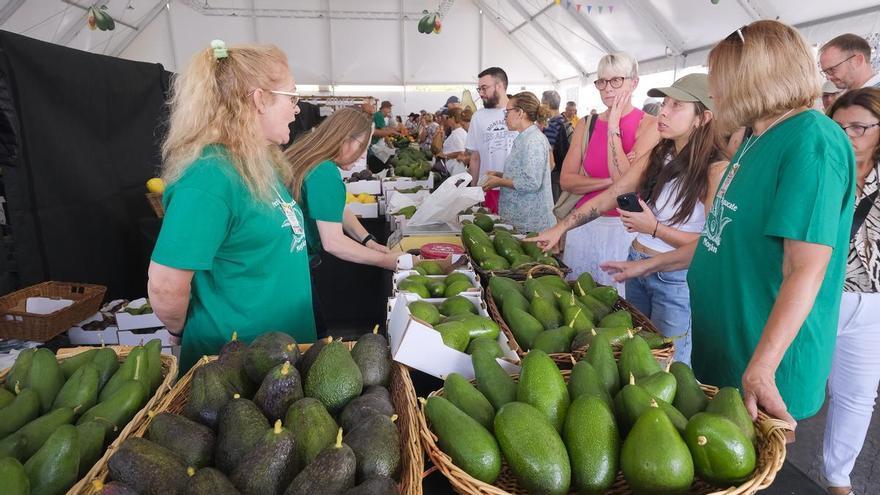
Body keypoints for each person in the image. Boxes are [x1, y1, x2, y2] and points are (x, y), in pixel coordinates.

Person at [595, 20, 855, 427]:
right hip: (725, 350)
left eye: (720, 78)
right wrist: (644, 266)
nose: (714, 92)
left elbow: (806, 268)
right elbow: (721, 239)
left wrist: (763, 367)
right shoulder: (754, 138)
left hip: (761, 364)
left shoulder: (812, 142)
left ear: (754, 78)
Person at [528, 74, 725, 365]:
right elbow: (614, 192)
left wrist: (654, 229)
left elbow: (709, 246)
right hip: (637, 267)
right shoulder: (659, 153)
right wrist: (561, 227)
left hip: (674, 280)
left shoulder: (715, 169)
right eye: (664, 102)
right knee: (636, 357)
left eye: (677, 105)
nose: (664, 111)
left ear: (703, 117)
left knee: (668, 363)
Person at [147, 41, 315, 371]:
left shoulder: (257, 163)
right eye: (291, 97)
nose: (297, 108)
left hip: (281, 355)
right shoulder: (211, 176)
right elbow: (165, 285)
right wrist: (180, 331)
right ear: (259, 99)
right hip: (237, 367)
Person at [285, 108, 400, 336]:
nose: (361, 156)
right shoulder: (324, 170)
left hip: (286, 263)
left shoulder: (309, 156)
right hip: (297, 267)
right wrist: (386, 261)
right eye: (362, 147)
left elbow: (335, 208)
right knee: (316, 339)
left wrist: (367, 240)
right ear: (346, 139)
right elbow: (333, 242)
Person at [557, 52, 660, 293]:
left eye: (616, 80)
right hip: (584, 225)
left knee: (619, 304)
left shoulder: (650, 124)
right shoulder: (587, 123)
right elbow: (566, 180)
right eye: (602, 81)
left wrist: (614, 126)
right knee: (577, 296)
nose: (607, 88)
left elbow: (630, 185)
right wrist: (612, 181)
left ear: (633, 82)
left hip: (625, 229)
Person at [821, 87, 880, 495]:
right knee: (789, 378)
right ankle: (771, 451)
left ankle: (838, 477)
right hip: (816, 297)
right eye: (838, 126)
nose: (847, 135)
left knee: (857, 395)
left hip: (871, 303)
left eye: (858, 127)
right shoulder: (820, 171)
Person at [481, 92, 555, 233]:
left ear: (520, 113)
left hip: (530, 222)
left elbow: (532, 182)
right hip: (522, 219)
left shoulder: (533, 140)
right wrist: (500, 175)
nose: (505, 117)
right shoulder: (525, 138)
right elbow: (523, 173)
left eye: (507, 112)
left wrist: (499, 182)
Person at [467, 67, 518, 213]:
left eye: (484, 88)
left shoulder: (520, 113)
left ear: (500, 86)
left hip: (517, 188)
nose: (481, 93)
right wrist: (474, 191)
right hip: (489, 189)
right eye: (479, 89)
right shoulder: (478, 117)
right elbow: (475, 158)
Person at [542, 90, 569, 202]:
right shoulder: (565, 121)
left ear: (547, 104)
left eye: (542, 103)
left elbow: (548, 155)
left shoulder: (552, 126)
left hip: (554, 175)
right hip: (564, 170)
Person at [364, 98, 399, 173]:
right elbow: (383, 133)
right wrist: (391, 146)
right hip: (375, 145)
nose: (390, 111)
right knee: (378, 165)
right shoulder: (379, 115)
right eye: (389, 108)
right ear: (384, 108)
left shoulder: (380, 116)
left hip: (375, 144)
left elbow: (383, 131)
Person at [439, 107, 469, 176]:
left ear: (452, 118)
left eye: (447, 118)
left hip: (456, 171)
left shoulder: (457, 133)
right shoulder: (459, 131)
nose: (446, 120)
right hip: (456, 170)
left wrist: (445, 155)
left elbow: (461, 152)